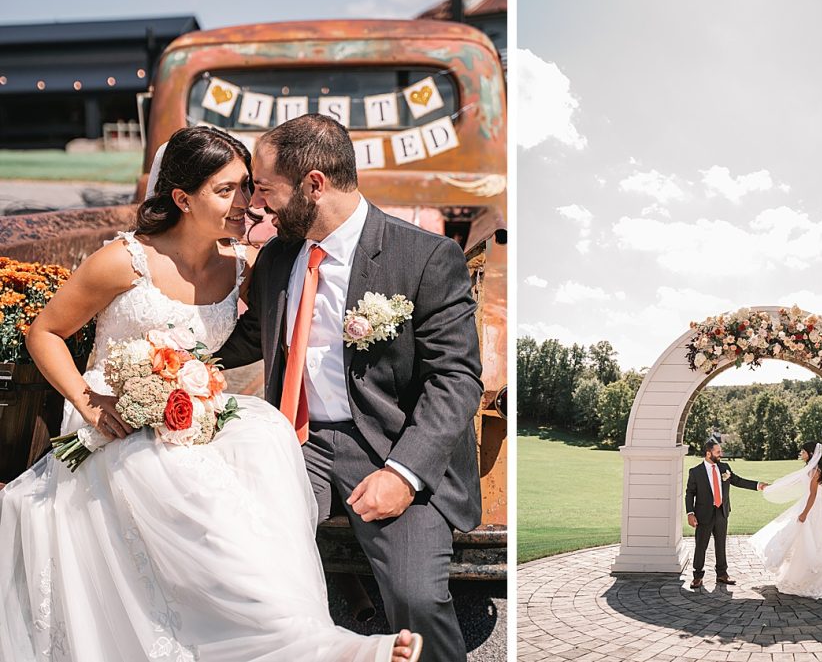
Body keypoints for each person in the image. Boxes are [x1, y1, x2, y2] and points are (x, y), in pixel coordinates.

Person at [0, 127, 422, 662]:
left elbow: (282, 323)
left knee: (266, 447)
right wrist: (90, 401)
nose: (246, 202)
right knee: (185, 485)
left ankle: (295, 631)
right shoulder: (123, 262)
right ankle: (311, 646)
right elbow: (45, 332)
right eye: (227, 190)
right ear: (182, 198)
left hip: (193, 414)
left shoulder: (242, 265)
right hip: (115, 421)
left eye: (248, 186)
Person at [215, 114, 483, 662]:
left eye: (265, 189)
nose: (258, 204)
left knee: (415, 595)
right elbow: (247, 338)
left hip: (390, 444)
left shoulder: (426, 258)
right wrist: (169, 359)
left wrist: (403, 475)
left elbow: (455, 379)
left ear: (314, 185)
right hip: (295, 440)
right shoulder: (278, 257)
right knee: (248, 563)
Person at [749, 441, 822, 599]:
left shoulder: (815, 471)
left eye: (803, 452)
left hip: (814, 509)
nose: (801, 454)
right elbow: (793, 482)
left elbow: (813, 494)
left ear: (810, 453)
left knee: (812, 542)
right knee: (800, 541)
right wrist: (772, 487)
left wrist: (804, 513)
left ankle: (812, 580)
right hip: (807, 504)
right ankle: (799, 576)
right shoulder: (808, 468)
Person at [685, 440, 767, 589]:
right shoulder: (695, 472)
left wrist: (758, 485)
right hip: (703, 514)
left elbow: (737, 480)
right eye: (718, 452)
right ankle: (697, 576)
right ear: (708, 453)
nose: (721, 454)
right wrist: (690, 513)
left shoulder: (724, 468)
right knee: (701, 546)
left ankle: (722, 574)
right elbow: (690, 494)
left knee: (721, 544)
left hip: (722, 512)